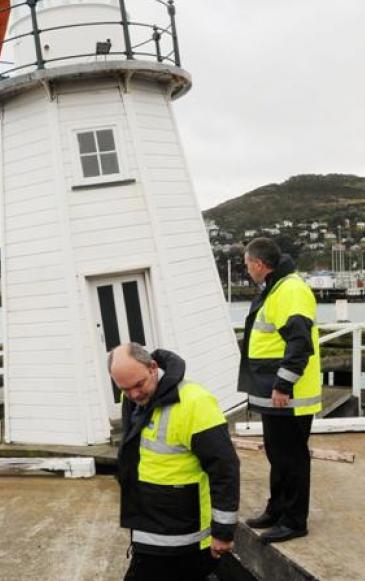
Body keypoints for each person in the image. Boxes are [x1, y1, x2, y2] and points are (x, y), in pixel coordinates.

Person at [108, 343, 240, 581]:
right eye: (125, 389)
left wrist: (223, 532)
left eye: (139, 385)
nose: (134, 395)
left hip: (182, 533)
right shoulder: (133, 397)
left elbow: (225, 469)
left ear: (153, 367)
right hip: (149, 523)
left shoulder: (195, 402)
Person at [238, 237, 321, 543]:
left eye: (247, 264)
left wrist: (284, 384)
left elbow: (300, 342)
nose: (247, 270)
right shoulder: (275, 286)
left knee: (292, 457)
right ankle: (277, 509)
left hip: (288, 395)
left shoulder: (290, 290)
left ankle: (295, 520)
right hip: (272, 391)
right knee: (278, 454)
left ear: (259, 264)